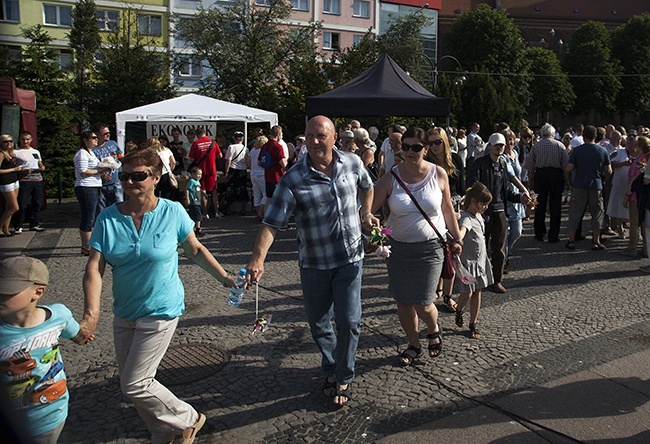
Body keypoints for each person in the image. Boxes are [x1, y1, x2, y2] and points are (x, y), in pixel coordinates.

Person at [75, 148, 235, 444]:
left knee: (135, 384)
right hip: (125, 311)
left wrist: (224, 277)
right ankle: (162, 430)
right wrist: (91, 315)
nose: (129, 182)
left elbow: (195, 250)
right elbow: (94, 269)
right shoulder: (108, 218)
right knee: (131, 383)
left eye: (138, 176)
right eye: (124, 176)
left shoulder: (172, 211)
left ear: (156, 177)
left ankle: (188, 419)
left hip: (161, 308)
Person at [246, 116, 378, 407]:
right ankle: (331, 365)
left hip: (350, 259)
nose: (314, 142)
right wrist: (258, 259)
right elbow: (271, 224)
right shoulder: (294, 178)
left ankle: (343, 375)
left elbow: (368, 187)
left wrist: (366, 214)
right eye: (309, 136)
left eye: (320, 136)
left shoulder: (353, 163)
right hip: (315, 264)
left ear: (334, 138)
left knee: (349, 320)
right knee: (318, 323)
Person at [371, 127, 463, 367]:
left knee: (423, 301)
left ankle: (433, 327)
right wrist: (371, 229)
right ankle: (413, 344)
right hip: (398, 249)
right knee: (403, 302)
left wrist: (457, 237)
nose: (410, 152)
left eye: (416, 147)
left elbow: (447, 210)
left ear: (425, 149)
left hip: (430, 248)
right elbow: (368, 208)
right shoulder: (391, 177)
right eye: (406, 147)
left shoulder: (438, 174)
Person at [0, 256, 83, 444]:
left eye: (7, 290)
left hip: (51, 415)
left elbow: (76, 332)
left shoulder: (59, 315)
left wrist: (82, 334)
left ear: (37, 292)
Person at [467, 132, 530, 293]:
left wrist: (519, 198)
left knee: (499, 248)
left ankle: (496, 280)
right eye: (496, 145)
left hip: (500, 210)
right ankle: (478, 280)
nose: (499, 148)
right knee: (478, 248)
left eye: (501, 145)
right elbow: (471, 186)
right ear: (489, 146)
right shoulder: (479, 163)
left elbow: (506, 191)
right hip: (482, 212)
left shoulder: (502, 164)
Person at [424, 127, 465, 312]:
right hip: (436, 210)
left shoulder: (455, 159)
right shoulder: (426, 162)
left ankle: (447, 295)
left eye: (437, 142)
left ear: (444, 142)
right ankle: (438, 289)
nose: (434, 146)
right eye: (430, 142)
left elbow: (463, 186)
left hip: (455, 207)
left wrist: (462, 208)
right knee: (440, 253)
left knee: (453, 253)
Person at [454, 183, 493, 339]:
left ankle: (473, 323)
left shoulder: (479, 216)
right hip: (467, 265)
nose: (485, 207)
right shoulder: (466, 218)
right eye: (483, 204)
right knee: (468, 292)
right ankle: (459, 309)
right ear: (473, 201)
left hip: (480, 261)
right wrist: (459, 238)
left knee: (477, 291)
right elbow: (463, 230)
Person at [565, 125, 612, 250]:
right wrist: (603, 179)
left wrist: (569, 182)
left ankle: (571, 240)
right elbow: (609, 170)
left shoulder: (577, 151)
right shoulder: (602, 151)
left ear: (583, 136)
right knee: (597, 213)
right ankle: (596, 241)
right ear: (596, 136)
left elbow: (568, 168)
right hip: (596, 185)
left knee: (575, 212)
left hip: (579, 184)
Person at [524, 123, 569, 243]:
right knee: (555, 206)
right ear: (553, 134)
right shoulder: (560, 145)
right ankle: (553, 235)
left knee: (539, 205)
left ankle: (539, 233)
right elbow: (565, 165)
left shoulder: (536, 146)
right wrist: (568, 182)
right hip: (556, 175)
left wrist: (531, 182)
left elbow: (529, 167)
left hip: (541, 175)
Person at [74, 131, 110, 256]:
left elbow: (94, 169)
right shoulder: (82, 154)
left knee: (92, 215)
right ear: (85, 139)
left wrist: (102, 173)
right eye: (93, 138)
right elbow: (83, 172)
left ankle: (88, 245)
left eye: (96, 137)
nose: (96, 140)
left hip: (94, 185)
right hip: (86, 186)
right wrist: (100, 170)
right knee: (88, 217)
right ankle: (86, 246)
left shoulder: (91, 153)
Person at [12, 131, 46, 233]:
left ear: (31, 140)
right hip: (24, 180)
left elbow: (39, 162)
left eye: (27, 139)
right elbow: (13, 167)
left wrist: (42, 166)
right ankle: (18, 225)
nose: (25, 141)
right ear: (20, 140)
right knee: (22, 204)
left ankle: (34, 224)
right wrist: (23, 170)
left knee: (37, 203)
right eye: (23, 139)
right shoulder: (15, 152)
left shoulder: (35, 151)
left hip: (37, 179)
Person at [189, 127, 222, 218]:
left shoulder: (196, 143)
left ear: (197, 135)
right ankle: (216, 212)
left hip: (200, 171)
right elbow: (220, 155)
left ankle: (205, 213)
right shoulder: (213, 142)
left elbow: (191, 158)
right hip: (212, 170)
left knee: (202, 191)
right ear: (205, 133)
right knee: (214, 191)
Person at [92, 123, 123, 214]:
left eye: (108, 133)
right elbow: (90, 167)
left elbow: (120, 156)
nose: (108, 135)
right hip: (100, 184)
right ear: (97, 134)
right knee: (101, 209)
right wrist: (101, 175)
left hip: (115, 181)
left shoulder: (112, 144)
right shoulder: (93, 149)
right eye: (105, 133)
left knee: (120, 206)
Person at [223, 131, 250, 215]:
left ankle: (228, 208)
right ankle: (243, 209)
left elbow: (228, 160)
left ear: (234, 138)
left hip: (233, 169)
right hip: (243, 170)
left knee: (230, 189)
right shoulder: (246, 149)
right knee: (242, 188)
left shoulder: (231, 147)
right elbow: (247, 161)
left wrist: (226, 172)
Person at [0, 134, 22, 237]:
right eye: (6, 141)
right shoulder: (1, 154)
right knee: (14, 207)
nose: (9, 143)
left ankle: (6, 228)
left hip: (14, 180)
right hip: (6, 182)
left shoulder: (10, 153)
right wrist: (13, 169)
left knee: (9, 207)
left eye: (10, 141)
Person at [259, 125, 287, 200]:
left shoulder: (264, 146)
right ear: (278, 134)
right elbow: (283, 163)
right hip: (277, 176)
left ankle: (267, 212)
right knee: (279, 200)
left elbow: (259, 162)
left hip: (267, 176)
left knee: (269, 199)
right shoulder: (278, 147)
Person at [248, 135, 268, 221]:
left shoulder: (253, 150)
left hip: (253, 173)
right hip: (261, 173)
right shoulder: (262, 151)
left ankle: (258, 212)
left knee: (256, 194)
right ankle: (261, 212)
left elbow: (248, 161)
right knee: (266, 194)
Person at [185, 166, 205, 237]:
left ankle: (195, 228)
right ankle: (197, 229)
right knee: (197, 215)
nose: (199, 176)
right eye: (198, 174)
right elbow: (187, 189)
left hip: (198, 201)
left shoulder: (198, 182)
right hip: (193, 201)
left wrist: (203, 194)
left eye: (201, 174)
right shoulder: (191, 181)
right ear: (192, 174)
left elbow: (199, 190)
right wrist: (187, 198)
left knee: (195, 215)